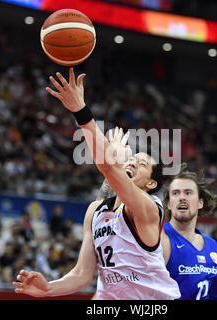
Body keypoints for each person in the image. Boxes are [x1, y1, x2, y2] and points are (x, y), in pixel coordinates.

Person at [13, 68, 180, 300]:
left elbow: (109, 169)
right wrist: (49, 288)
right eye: (131, 158)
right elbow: (82, 273)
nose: (132, 161)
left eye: (140, 163)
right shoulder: (96, 211)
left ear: (151, 183)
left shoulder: (150, 209)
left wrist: (80, 111)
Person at [161, 164, 217, 300]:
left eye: (188, 193)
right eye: (176, 193)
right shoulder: (159, 238)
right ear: (169, 204)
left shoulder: (212, 245)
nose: (182, 197)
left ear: (200, 203)